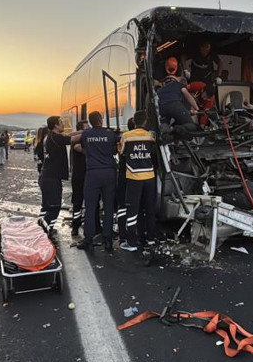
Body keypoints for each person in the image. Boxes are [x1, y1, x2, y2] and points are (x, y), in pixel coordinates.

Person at [77, 111, 119, 252]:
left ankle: (88, 239)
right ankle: (108, 240)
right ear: (101, 120)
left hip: (92, 173)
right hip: (108, 172)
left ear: (90, 121)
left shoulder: (86, 134)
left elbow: (84, 148)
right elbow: (115, 149)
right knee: (108, 207)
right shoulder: (110, 134)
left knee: (90, 207)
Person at [119, 111, 157, 252]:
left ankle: (132, 242)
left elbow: (122, 152)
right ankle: (151, 239)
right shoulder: (150, 136)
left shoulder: (127, 136)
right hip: (149, 177)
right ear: (145, 122)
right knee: (150, 209)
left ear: (134, 121)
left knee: (133, 210)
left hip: (134, 178)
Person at [39, 117, 82, 236]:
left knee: (46, 206)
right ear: (56, 125)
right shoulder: (56, 138)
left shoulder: (51, 136)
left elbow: (68, 135)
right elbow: (73, 139)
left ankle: (41, 227)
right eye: (61, 123)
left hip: (46, 176)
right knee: (55, 207)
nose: (63, 124)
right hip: (52, 178)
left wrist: (82, 131)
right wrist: (92, 133)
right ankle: (46, 230)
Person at [157, 57, 200, 137]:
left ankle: (167, 132)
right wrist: (197, 108)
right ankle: (175, 129)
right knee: (191, 127)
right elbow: (189, 97)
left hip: (162, 108)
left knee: (164, 127)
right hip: (175, 105)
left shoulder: (160, 89)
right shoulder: (178, 85)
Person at [70, 120, 89, 236]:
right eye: (86, 129)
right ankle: (75, 226)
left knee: (91, 202)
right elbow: (81, 149)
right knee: (77, 202)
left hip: (88, 175)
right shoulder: (76, 142)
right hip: (79, 176)